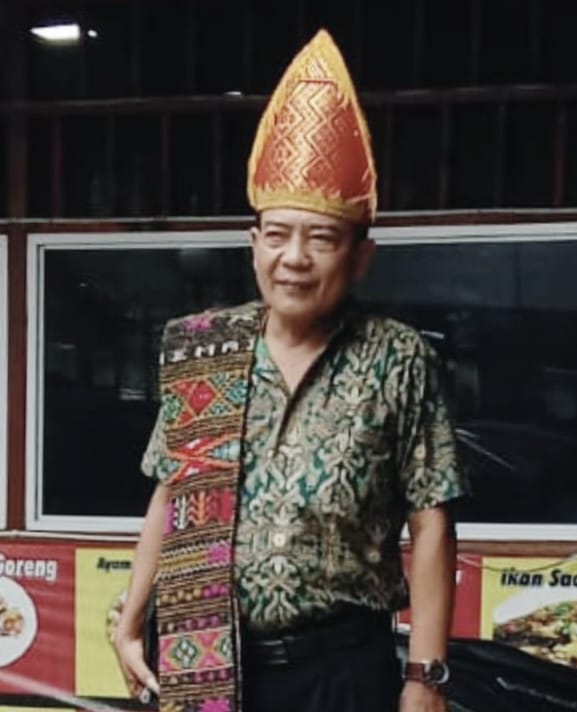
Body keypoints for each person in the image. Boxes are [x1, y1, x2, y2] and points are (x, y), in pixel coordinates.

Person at [113, 28, 465, 712]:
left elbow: (432, 521)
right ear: (254, 246)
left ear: (360, 256)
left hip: (343, 667)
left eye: (321, 238)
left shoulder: (397, 358)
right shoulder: (206, 349)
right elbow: (171, 495)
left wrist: (426, 676)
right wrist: (130, 623)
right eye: (276, 235)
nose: (294, 258)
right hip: (211, 661)